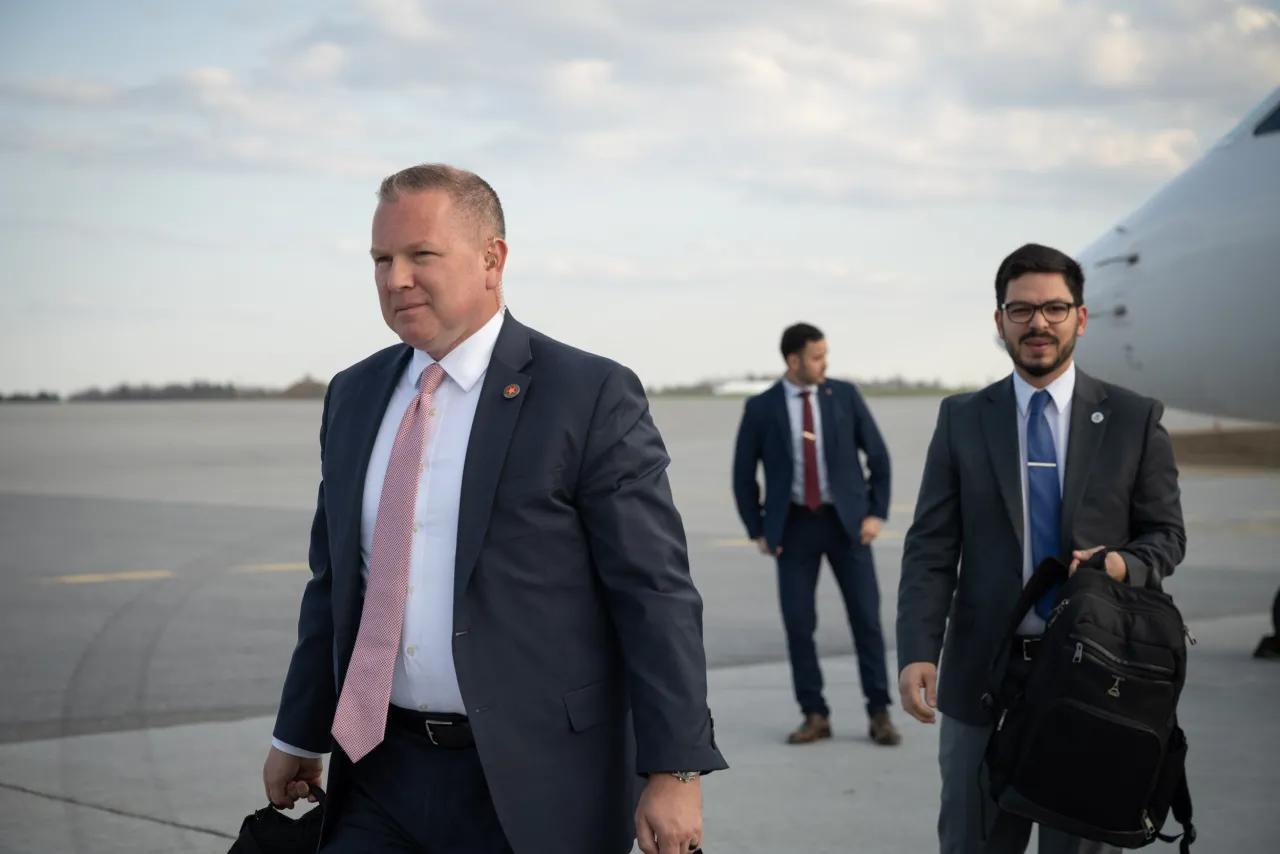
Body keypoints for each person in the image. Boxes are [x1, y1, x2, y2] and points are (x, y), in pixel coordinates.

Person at [262, 163, 727, 854]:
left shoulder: (587, 393)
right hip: (380, 770)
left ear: (491, 260)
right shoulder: (354, 395)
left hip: (535, 782)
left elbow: (653, 592)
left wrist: (675, 768)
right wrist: (298, 732)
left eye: (421, 255)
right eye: (382, 260)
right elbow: (334, 583)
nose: (395, 280)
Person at [896, 243, 1186, 853]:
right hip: (984, 677)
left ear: (1081, 318)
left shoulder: (1134, 419)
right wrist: (919, 650)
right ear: (999, 321)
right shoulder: (963, 418)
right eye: (1022, 310)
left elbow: (1167, 535)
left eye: (1055, 308)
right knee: (972, 841)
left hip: (1093, 676)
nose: (1039, 324)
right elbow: (930, 546)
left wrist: (1121, 565)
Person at [732, 323, 901, 747]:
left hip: (847, 525)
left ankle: (879, 712)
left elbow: (878, 456)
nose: (825, 363)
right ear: (793, 361)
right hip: (794, 528)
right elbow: (742, 475)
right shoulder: (761, 407)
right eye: (817, 356)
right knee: (798, 624)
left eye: (826, 354)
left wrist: (876, 513)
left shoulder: (844, 396)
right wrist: (758, 528)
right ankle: (814, 713)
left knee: (865, 619)